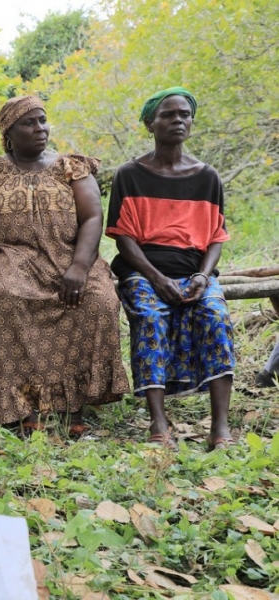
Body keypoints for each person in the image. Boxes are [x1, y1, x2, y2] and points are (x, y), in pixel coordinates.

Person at [0, 95, 129, 434]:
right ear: (9, 133)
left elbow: (93, 217)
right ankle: (25, 404)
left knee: (99, 301)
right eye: (29, 123)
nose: (40, 129)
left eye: (43, 121)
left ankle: (74, 406)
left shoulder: (71, 167)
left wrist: (79, 267)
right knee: (13, 302)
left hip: (71, 257)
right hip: (16, 260)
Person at [106, 87, 235, 450]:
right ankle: (159, 424)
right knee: (149, 317)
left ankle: (220, 428)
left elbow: (216, 237)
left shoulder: (207, 176)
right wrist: (156, 277)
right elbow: (124, 238)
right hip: (144, 271)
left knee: (214, 314)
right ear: (151, 124)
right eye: (168, 115)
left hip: (195, 272)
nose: (178, 120)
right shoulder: (130, 174)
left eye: (184, 115)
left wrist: (202, 276)